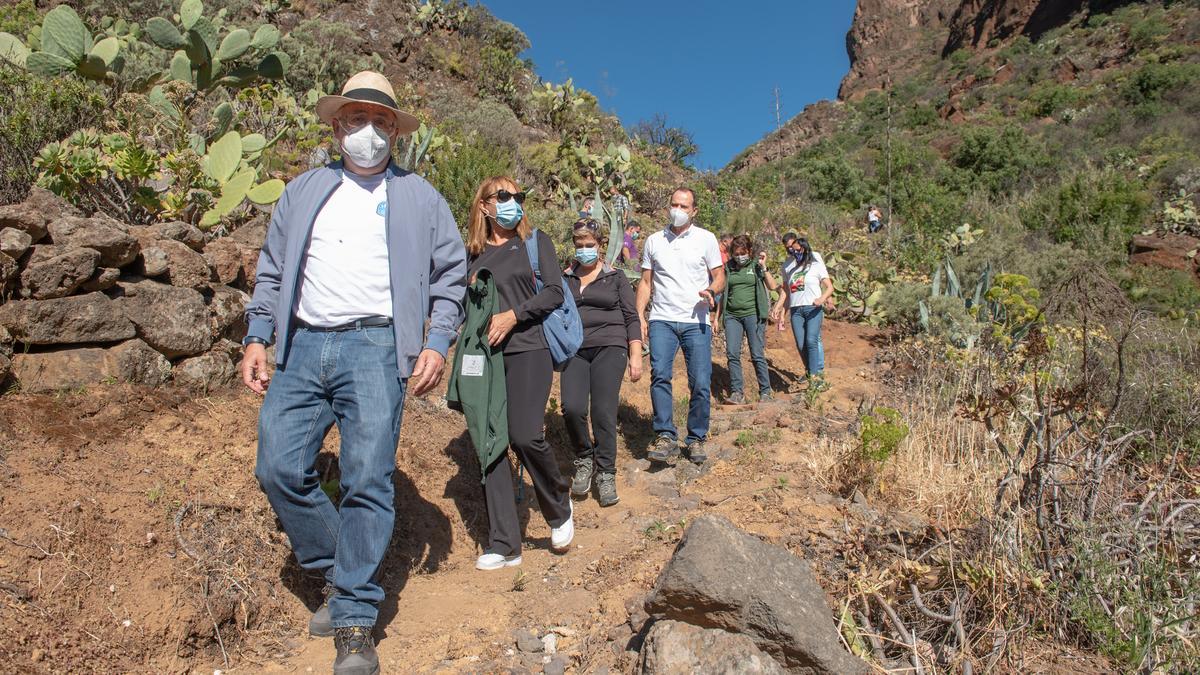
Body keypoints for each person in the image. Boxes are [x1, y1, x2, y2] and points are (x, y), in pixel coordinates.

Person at [240, 71, 467, 675]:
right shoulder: (304, 190)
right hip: (301, 347)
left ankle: (354, 620)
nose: (368, 132)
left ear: (395, 130)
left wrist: (437, 343)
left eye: (381, 121)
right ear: (336, 126)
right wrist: (258, 336)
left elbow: (451, 277)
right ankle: (341, 575)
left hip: (375, 348)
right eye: (355, 120)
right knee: (278, 465)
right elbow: (271, 268)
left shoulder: (421, 197)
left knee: (368, 479)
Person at [465, 175, 574, 571]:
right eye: (504, 196)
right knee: (491, 445)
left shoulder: (533, 242)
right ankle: (505, 543)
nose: (513, 202)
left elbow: (554, 292)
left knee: (525, 434)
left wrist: (513, 315)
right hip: (487, 360)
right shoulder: (472, 255)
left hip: (530, 348)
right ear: (485, 206)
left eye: (518, 196)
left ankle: (559, 505)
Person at [636, 187, 725, 465]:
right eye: (674, 204)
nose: (678, 210)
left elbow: (720, 276)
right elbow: (646, 282)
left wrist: (712, 291)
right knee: (660, 375)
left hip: (695, 320)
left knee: (700, 381)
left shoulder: (706, 239)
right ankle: (665, 435)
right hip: (661, 318)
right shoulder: (653, 241)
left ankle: (696, 437)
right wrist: (639, 315)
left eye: (684, 206)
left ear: (694, 211)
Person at [561, 219, 643, 506]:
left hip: (611, 346)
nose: (584, 250)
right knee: (571, 407)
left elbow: (632, 317)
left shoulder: (615, 277)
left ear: (600, 245)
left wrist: (635, 354)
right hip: (575, 349)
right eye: (579, 245)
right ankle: (584, 458)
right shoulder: (565, 278)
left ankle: (606, 472)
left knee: (602, 411)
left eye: (590, 245)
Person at [713, 234, 779, 404]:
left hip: (753, 315)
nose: (739, 256)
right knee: (732, 353)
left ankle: (765, 391)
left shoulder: (756, 266)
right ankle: (737, 393)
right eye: (736, 253)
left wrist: (764, 267)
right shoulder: (728, 268)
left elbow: (772, 286)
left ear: (749, 251)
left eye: (742, 252)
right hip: (732, 316)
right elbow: (723, 293)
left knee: (756, 353)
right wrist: (716, 318)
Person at [771, 232, 833, 390]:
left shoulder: (815, 260)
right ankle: (811, 372)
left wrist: (826, 299)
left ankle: (817, 374)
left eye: (796, 248)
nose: (793, 251)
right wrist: (780, 310)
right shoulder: (788, 267)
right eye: (790, 249)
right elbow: (786, 291)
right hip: (796, 309)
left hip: (813, 306)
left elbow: (826, 283)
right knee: (801, 344)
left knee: (812, 340)